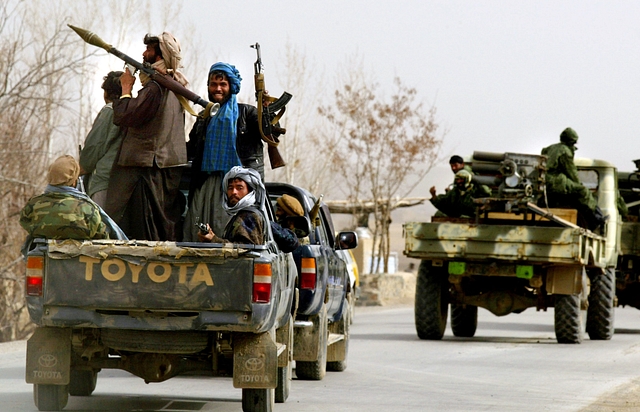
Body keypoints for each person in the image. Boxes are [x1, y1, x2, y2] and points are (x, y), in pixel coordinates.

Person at [104, 32, 188, 241]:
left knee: (145, 231)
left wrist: (125, 88)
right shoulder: (175, 87)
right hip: (162, 169)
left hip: (147, 171)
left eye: (149, 50)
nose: (143, 53)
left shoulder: (155, 88)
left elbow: (125, 115)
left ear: (160, 56)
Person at [184, 62, 274, 241]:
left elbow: (270, 133)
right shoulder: (204, 117)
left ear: (231, 87)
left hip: (236, 189)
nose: (218, 89)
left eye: (223, 84)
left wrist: (266, 111)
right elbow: (190, 149)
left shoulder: (247, 114)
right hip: (205, 186)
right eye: (213, 84)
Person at [19, 155, 127, 253]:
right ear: (74, 182)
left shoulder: (33, 205)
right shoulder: (88, 209)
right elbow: (102, 235)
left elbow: (25, 222)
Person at [542, 127, 606, 230]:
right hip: (556, 180)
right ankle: (597, 218)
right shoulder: (565, 151)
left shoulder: (550, 148)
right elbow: (570, 171)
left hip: (545, 180)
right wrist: (579, 184)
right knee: (583, 191)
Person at [79, 71, 124, 208]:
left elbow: (95, 146)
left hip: (103, 181)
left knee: (100, 226)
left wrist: (82, 166)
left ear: (106, 93)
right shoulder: (129, 111)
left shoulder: (109, 111)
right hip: (119, 180)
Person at [197, 166, 267, 244]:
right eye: (230, 188)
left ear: (250, 191)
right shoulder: (240, 214)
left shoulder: (249, 216)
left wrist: (214, 239)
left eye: (239, 188)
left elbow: (246, 250)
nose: (234, 192)